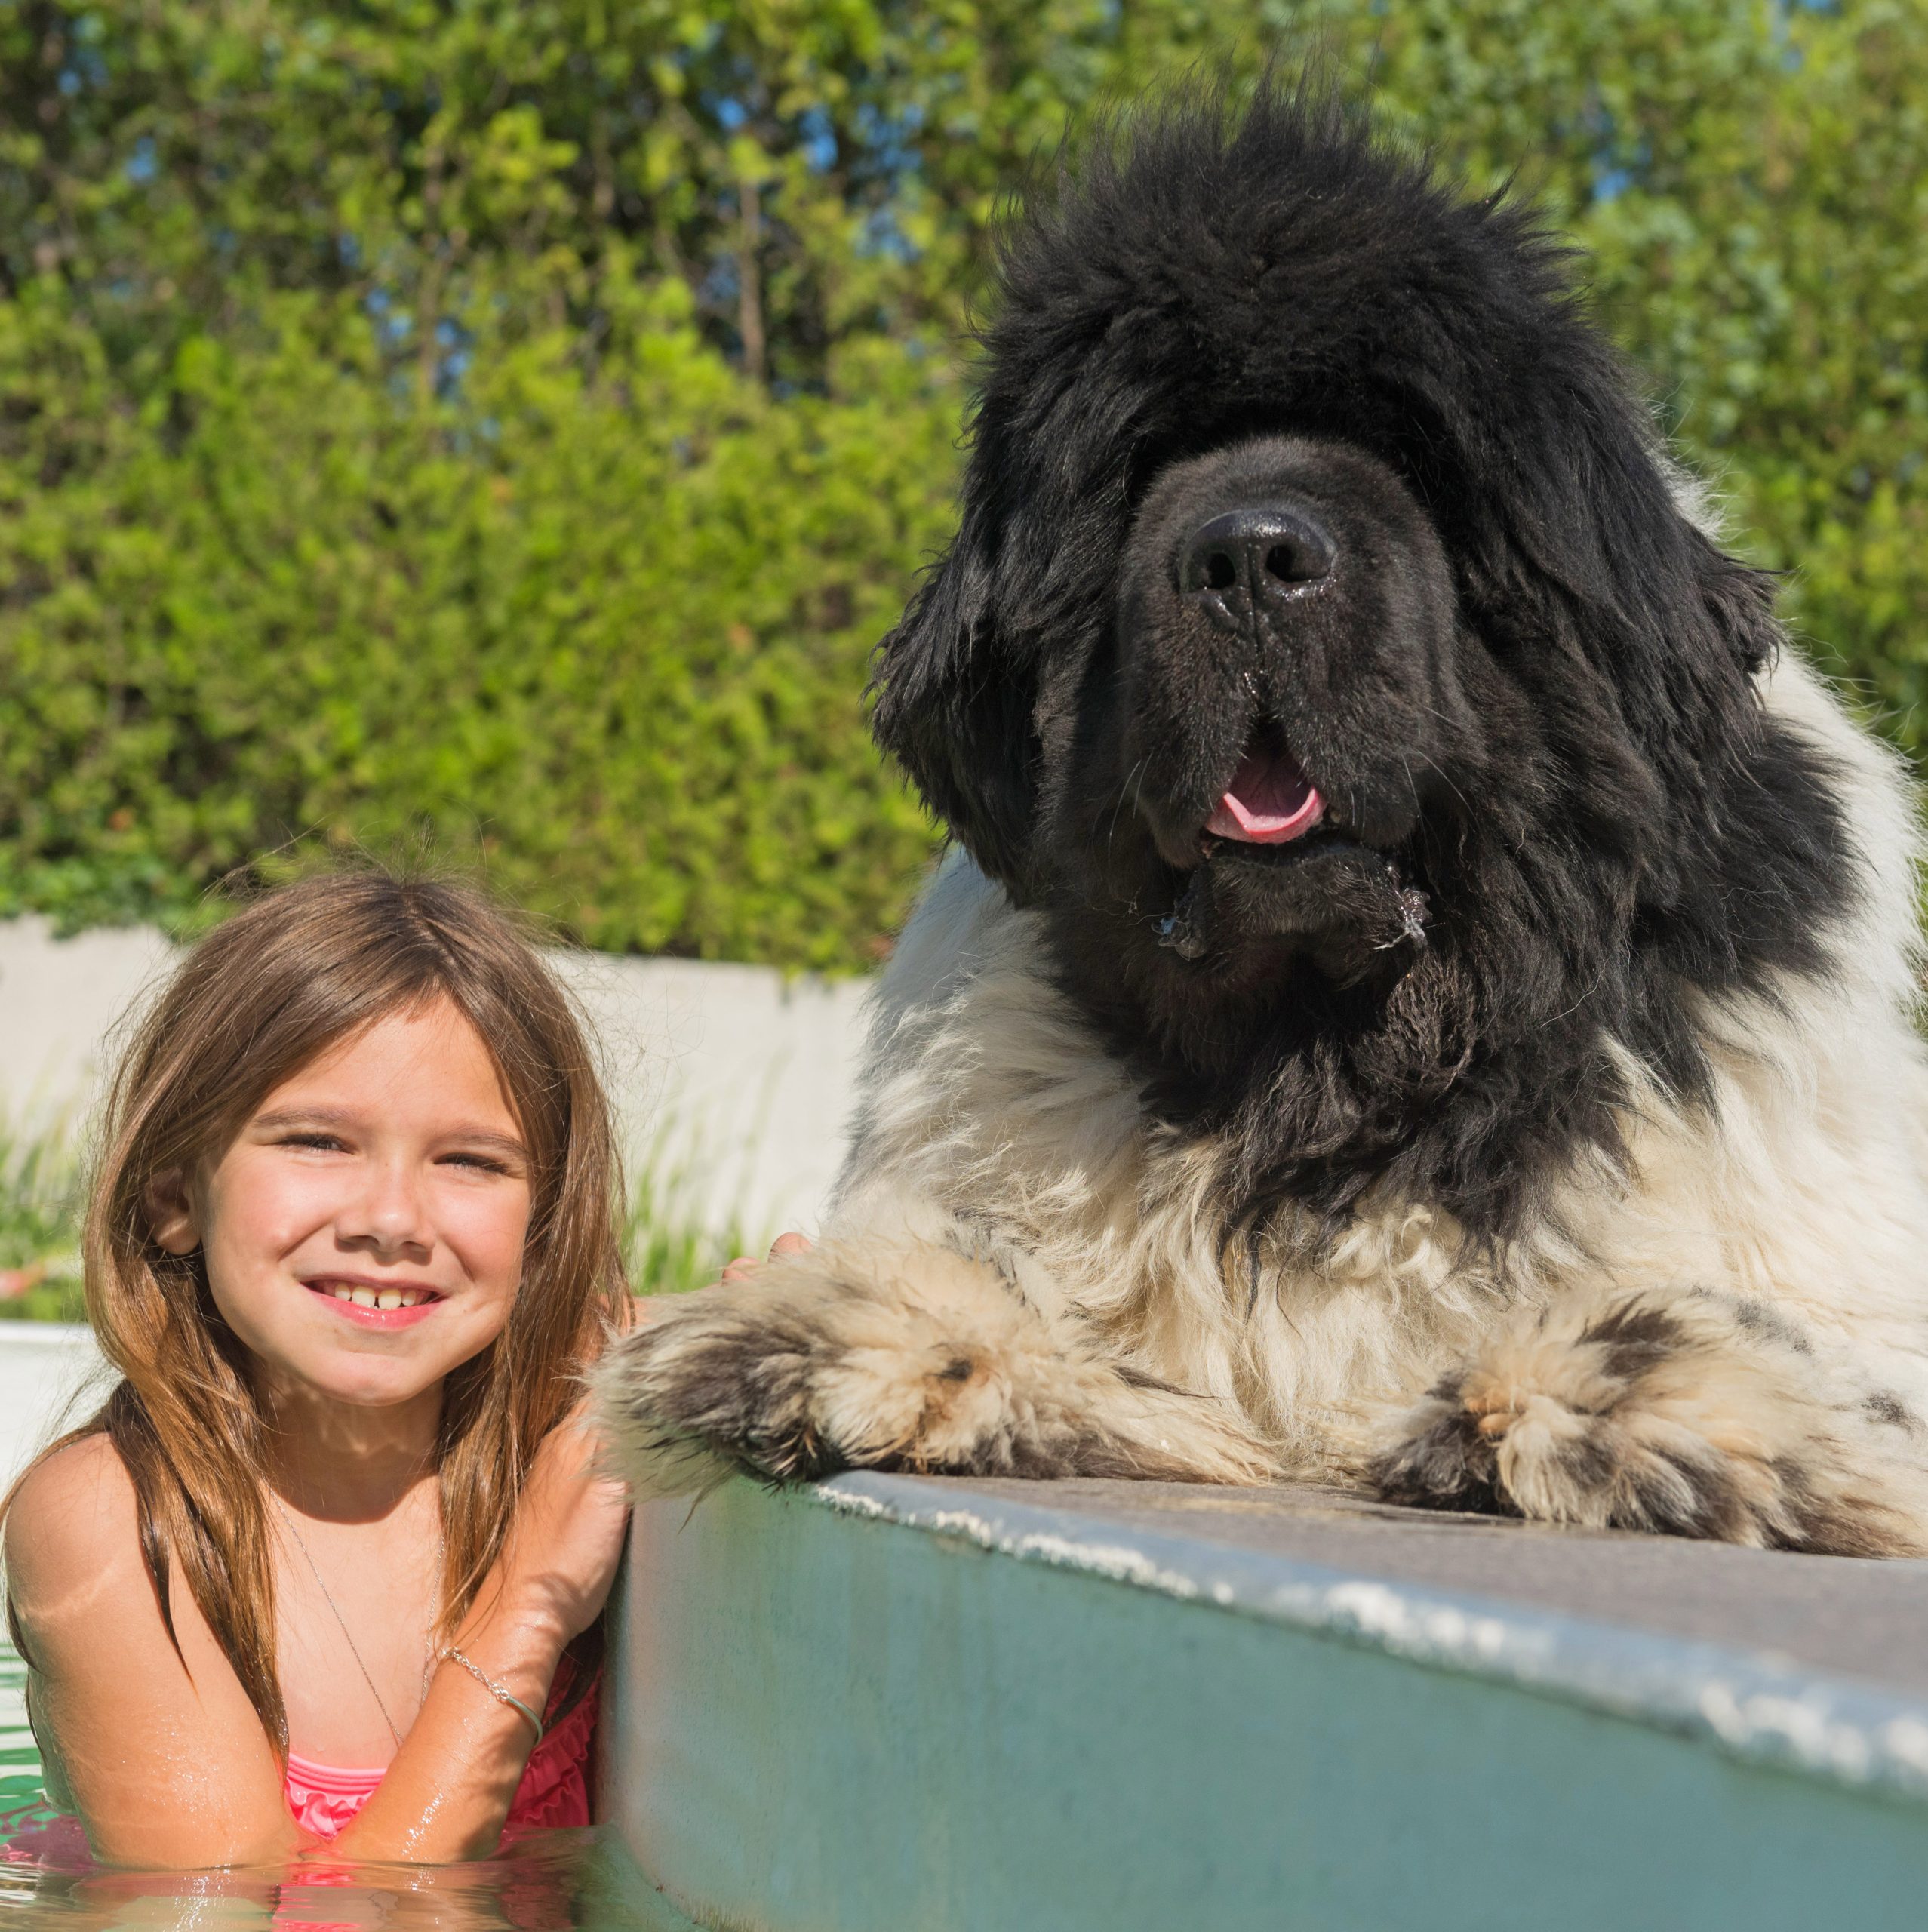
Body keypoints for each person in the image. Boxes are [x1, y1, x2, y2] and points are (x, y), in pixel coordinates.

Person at [1, 870, 635, 1867]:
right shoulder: (118, 1524)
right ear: (175, 1193)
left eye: (469, 1162)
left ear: (542, 1224)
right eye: (317, 1141)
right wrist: (535, 1596)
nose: (390, 1220)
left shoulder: (559, 1436)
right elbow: (263, 1915)